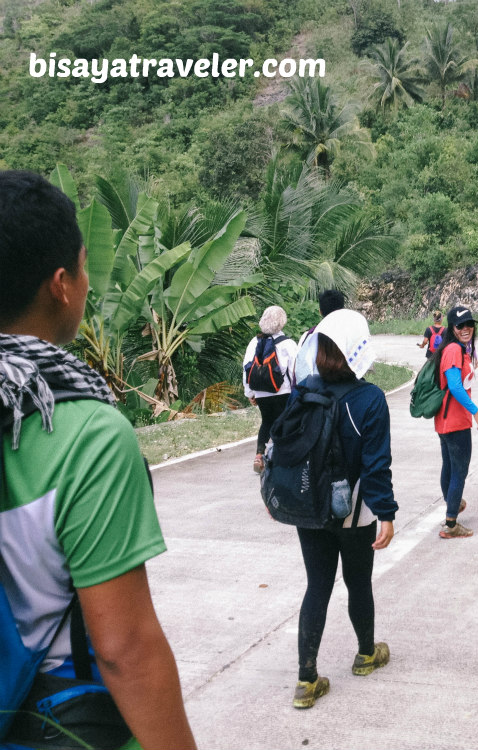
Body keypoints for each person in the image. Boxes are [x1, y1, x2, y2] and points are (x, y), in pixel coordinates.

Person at [0, 170, 197, 749]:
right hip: (59, 721)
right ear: (61, 283)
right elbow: (124, 648)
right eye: (84, 268)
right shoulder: (87, 434)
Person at [289, 309, 396, 709]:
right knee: (357, 582)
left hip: (310, 509)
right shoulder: (370, 399)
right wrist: (386, 514)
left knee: (317, 585)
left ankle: (306, 681)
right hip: (355, 513)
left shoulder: (304, 391)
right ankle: (366, 654)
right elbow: (376, 465)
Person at [433, 305, 478, 539]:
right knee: (459, 471)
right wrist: (477, 412)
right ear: (452, 328)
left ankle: (452, 504)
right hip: (455, 422)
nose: (466, 329)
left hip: (445, 421)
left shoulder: (452, 349)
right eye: (460, 325)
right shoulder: (455, 350)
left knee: (449, 467)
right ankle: (452, 523)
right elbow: (455, 385)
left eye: (469, 324)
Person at [243, 305, 298, 473]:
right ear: (282, 322)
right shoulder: (288, 344)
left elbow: (246, 367)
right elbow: (294, 371)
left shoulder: (254, 342)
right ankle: (282, 457)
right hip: (283, 391)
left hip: (261, 392)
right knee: (285, 422)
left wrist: (250, 393)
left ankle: (259, 456)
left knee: (266, 421)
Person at [294, 288, 346, 384]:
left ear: (320, 311)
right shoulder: (349, 335)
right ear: (343, 310)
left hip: (317, 393)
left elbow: (300, 370)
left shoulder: (309, 335)